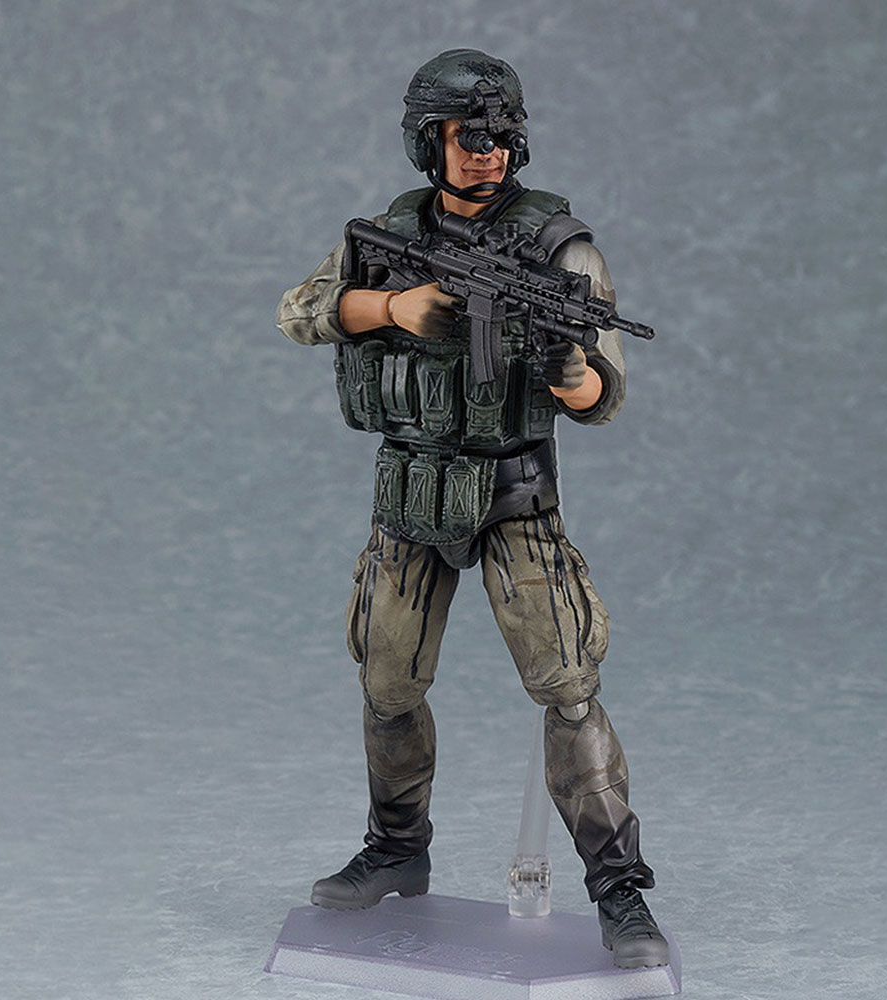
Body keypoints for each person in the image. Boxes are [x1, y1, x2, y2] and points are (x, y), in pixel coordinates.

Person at [275, 49, 668, 969]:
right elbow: (298, 312)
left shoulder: (561, 250)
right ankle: (396, 850)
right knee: (387, 683)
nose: (488, 150)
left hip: (513, 490)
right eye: (468, 135)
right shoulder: (386, 234)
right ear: (429, 142)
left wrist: (572, 376)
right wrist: (392, 308)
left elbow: (606, 393)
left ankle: (619, 889)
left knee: (567, 688)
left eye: (502, 135)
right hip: (412, 485)